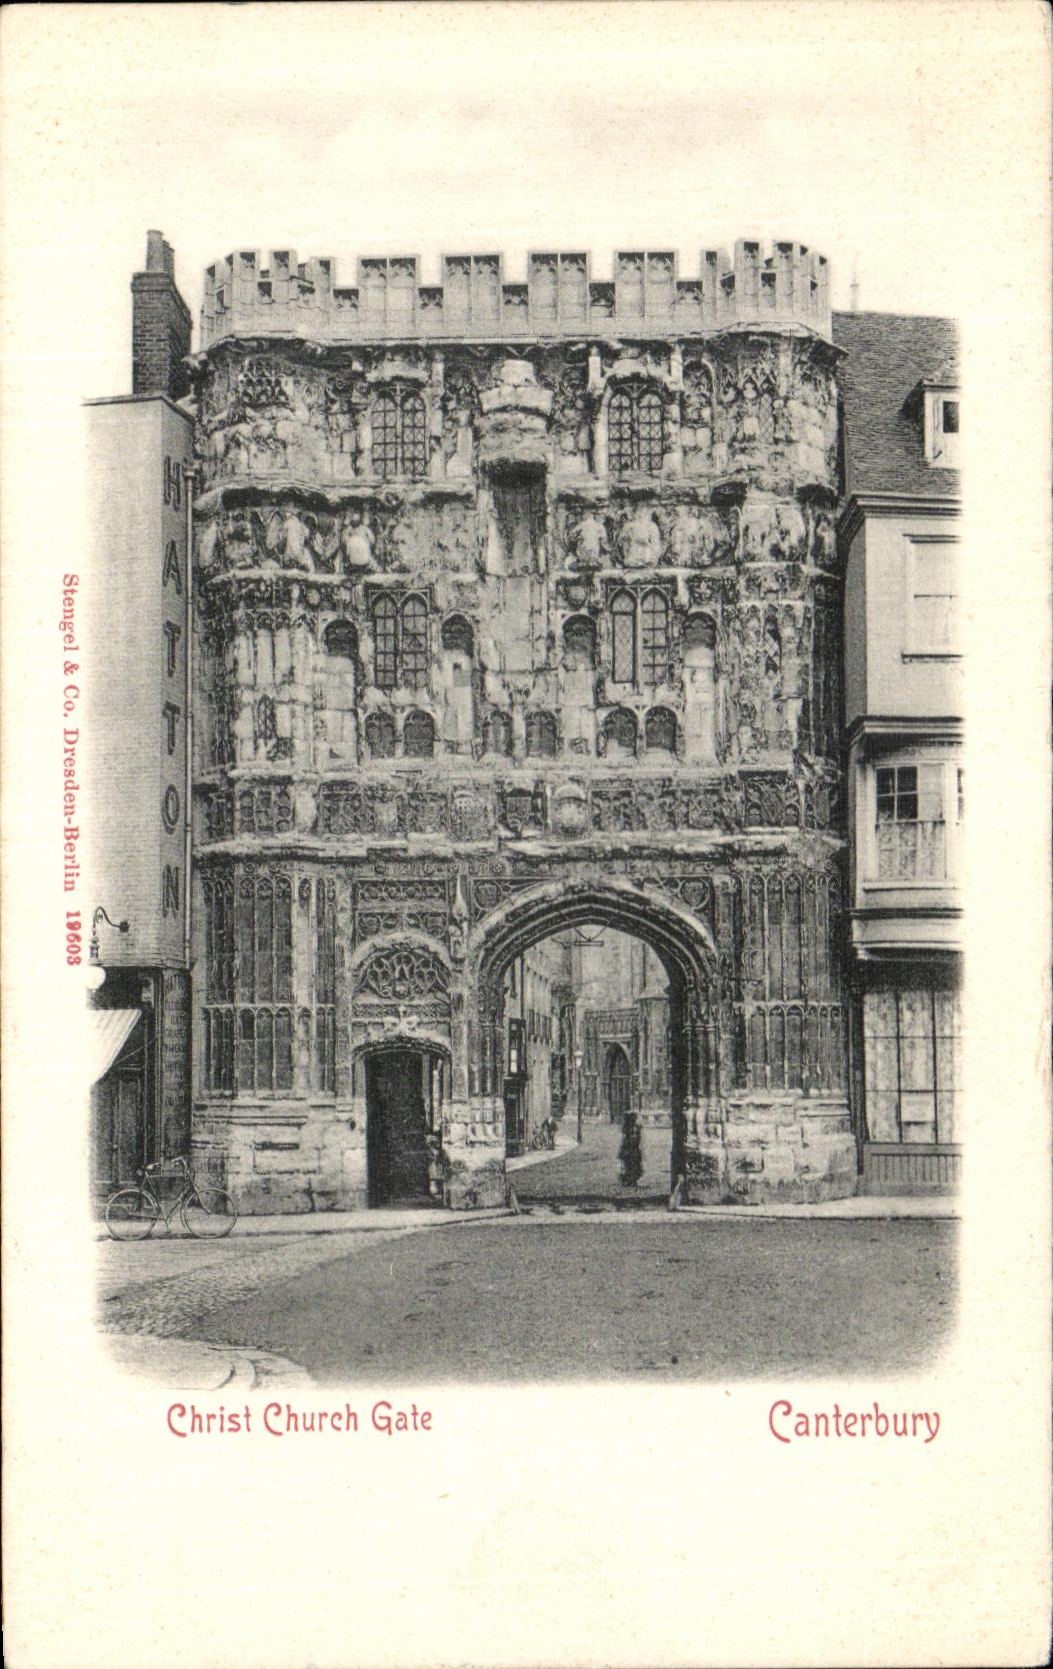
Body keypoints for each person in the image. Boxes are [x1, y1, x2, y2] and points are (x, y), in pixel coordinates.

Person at [618, 1112, 643, 1188]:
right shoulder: (626, 1128)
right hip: (628, 1149)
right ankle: (628, 1180)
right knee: (628, 1165)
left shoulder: (636, 1127)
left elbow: (638, 1139)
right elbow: (625, 1139)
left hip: (634, 1149)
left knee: (635, 1165)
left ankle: (632, 1180)